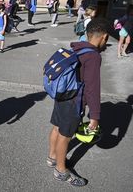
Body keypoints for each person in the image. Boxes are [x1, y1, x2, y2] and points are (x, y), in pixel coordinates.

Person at [47, 18, 110, 187]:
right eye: (107, 39)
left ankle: (53, 157)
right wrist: (95, 117)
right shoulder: (93, 56)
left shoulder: (77, 48)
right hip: (74, 101)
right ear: (104, 37)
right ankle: (61, 171)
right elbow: (92, 88)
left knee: (56, 127)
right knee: (65, 136)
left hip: (62, 95)